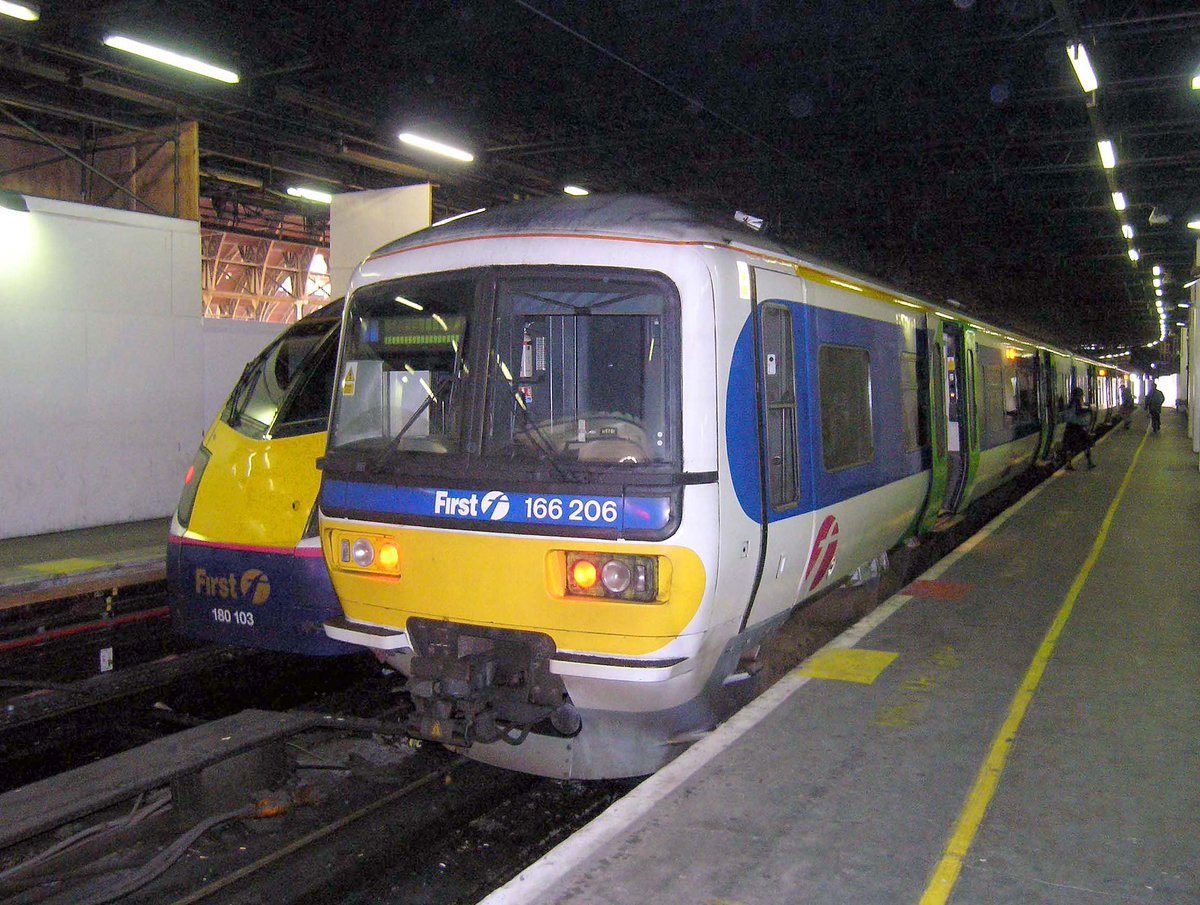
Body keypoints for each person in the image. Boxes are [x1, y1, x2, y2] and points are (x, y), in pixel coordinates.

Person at [1062, 386, 1094, 470]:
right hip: (1077, 428)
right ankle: (1089, 462)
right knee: (1086, 444)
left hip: (1069, 427)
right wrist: (1088, 410)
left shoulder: (1069, 404)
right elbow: (1079, 412)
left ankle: (1068, 464)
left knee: (1070, 446)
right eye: (1081, 395)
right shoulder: (1077, 403)